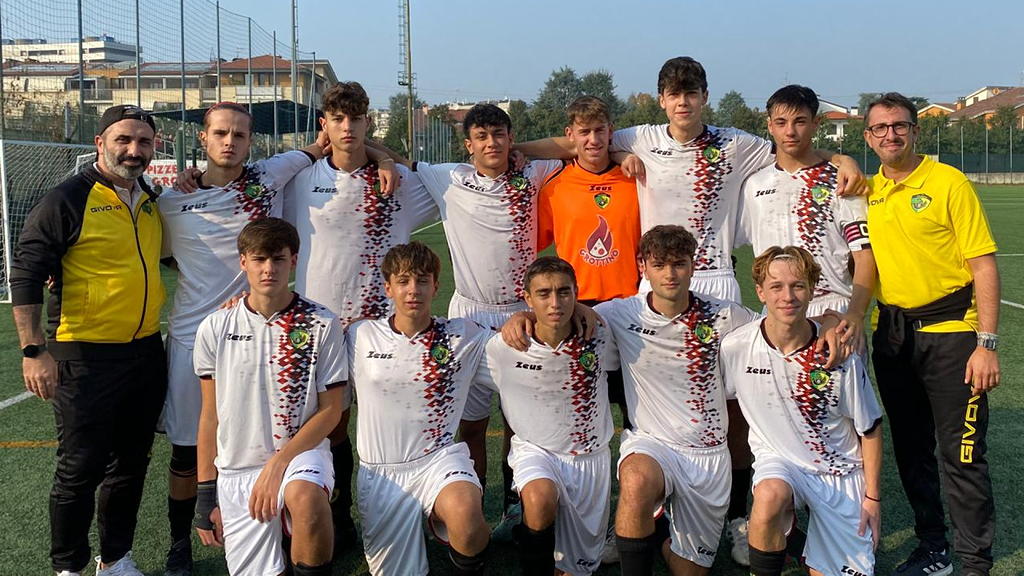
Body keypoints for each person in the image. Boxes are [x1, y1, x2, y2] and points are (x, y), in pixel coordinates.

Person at [515, 58, 866, 565]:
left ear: (704, 96)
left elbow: (792, 146)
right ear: (661, 99)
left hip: (716, 282)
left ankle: (742, 516)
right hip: (654, 281)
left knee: (734, 406)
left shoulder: (736, 143)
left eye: (691, 92)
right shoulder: (639, 138)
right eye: (673, 93)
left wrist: (841, 157)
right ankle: (637, 506)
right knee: (639, 404)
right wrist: (516, 149)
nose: (682, 102)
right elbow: (574, 143)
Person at [157, 101, 331, 575]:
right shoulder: (171, 202)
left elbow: (327, 143)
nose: (229, 141)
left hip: (263, 335)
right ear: (203, 138)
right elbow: (153, 252)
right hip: (193, 337)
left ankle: (298, 527)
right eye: (220, 133)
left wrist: (381, 159)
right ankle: (180, 542)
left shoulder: (270, 175)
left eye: (239, 134)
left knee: (270, 437)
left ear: (251, 141)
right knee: (187, 450)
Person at [11, 104, 166, 576]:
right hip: (83, 354)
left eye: (143, 141)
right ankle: (69, 567)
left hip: (145, 352)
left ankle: (115, 559)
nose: (133, 150)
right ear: (100, 143)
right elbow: (26, 273)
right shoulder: (67, 199)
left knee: (131, 465)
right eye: (123, 140)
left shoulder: (150, 198)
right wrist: (33, 350)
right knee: (80, 468)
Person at [283, 81, 433, 551]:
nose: (347, 127)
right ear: (324, 124)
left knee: (389, 419)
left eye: (356, 119)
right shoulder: (300, 180)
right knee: (332, 424)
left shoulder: (398, 182)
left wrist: (385, 158)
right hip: (322, 325)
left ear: (368, 123)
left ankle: (406, 505)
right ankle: (339, 509)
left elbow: (453, 188)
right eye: (338, 119)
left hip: (385, 327)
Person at [409, 103, 565, 534]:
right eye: (482, 137)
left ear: (510, 138)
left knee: (521, 424)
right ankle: (471, 505)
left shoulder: (532, 173)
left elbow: (572, 145)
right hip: (470, 316)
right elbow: (397, 159)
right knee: (471, 424)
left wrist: (523, 150)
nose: (491, 144)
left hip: (522, 313)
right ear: (468, 145)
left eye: (499, 135)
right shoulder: (448, 177)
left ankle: (516, 506)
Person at [863, 92, 1000, 576]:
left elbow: (984, 265)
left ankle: (974, 563)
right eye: (880, 128)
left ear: (915, 131)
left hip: (952, 337)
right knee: (911, 450)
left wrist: (986, 344)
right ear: (868, 137)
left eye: (899, 125)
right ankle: (933, 547)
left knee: (962, 454)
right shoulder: (867, 191)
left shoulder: (949, 182)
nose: (891, 135)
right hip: (893, 339)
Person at [594, 225, 759, 575]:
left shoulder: (726, 315)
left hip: (708, 456)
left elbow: (775, 328)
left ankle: (659, 534)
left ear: (693, 265)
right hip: (652, 444)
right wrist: (524, 317)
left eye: (679, 264)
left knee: (689, 571)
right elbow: (562, 315)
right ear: (643, 267)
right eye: (659, 265)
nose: (670, 274)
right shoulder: (620, 314)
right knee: (636, 480)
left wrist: (827, 321)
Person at [192, 217, 346, 576]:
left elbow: (331, 410)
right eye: (259, 259)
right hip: (238, 469)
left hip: (300, 455)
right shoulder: (215, 327)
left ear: (293, 260)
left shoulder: (321, 323)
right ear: (243, 261)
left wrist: (278, 464)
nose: (268, 269)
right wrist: (205, 496)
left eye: (278, 259)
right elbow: (210, 415)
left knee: (307, 500)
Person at [719, 246, 883, 576]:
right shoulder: (736, 347)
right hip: (781, 465)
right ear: (760, 292)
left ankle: (797, 538)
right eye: (776, 286)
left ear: (811, 290)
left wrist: (873, 498)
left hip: (839, 472)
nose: (787, 296)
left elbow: (871, 428)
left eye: (797, 286)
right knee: (769, 495)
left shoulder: (840, 356)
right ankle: (779, 537)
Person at [347, 242, 491, 576]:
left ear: (436, 286)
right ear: (388, 287)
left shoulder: (462, 336)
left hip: (439, 460)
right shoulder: (360, 335)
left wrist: (525, 318)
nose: (414, 290)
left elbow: (520, 343)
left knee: (466, 514)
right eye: (404, 281)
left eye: (423, 280)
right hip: (383, 474)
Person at [476, 256, 613, 575]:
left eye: (564, 292)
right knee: (539, 500)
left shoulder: (600, 332)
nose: (555, 302)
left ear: (576, 292)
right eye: (543, 293)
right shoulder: (503, 347)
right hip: (535, 451)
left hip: (589, 458)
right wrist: (519, 317)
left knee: (577, 570)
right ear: (527, 298)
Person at [738, 85, 875, 345]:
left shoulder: (842, 181)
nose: (790, 131)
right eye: (781, 123)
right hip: (777, 309)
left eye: (800, 122)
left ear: (816, 124)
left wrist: (855, 314)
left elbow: (864, 256)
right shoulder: (754, 185)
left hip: (833, 312)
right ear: (770, 126)